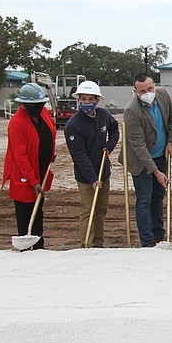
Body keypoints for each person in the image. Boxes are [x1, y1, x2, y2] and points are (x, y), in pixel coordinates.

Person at [119, 73, 172, 248]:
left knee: (158, 196)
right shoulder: (131, 111)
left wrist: (170, 141)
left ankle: (159, 235)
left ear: (155, 85)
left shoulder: (163, 95)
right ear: (136, 92)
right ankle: (147, 241)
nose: (147, 93)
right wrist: (156, 172)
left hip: (161, 154)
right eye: (142, 91)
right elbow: (138, 146)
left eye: (150, 88)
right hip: (140, 161)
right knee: (144, 199)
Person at [64, 81, 120, 247]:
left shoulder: (103, 115)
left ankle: (98, 243)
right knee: (88, 209)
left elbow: (114, 127)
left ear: (97, 101)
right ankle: (86, 244)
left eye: (90, 99)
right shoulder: (73, 125)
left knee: (101, 209)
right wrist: (93, 179)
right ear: (78, 100)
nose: (86, 102)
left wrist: (110, 145)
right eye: (83, 99)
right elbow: (79, 155)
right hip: (86, 176)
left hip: (103, 170)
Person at [2, 83, 57, 250]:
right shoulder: (16, 124)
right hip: (24, 176)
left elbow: (51, 133)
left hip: (41, 170)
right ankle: (26, 248)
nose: (37, 108)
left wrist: (50, 154)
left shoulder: (44, 114)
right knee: (26, 213)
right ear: (24, 105)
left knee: (38, 212)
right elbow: (21, 157)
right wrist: (33, 182)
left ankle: (39, 247)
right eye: (33, 105)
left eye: (40, 105)